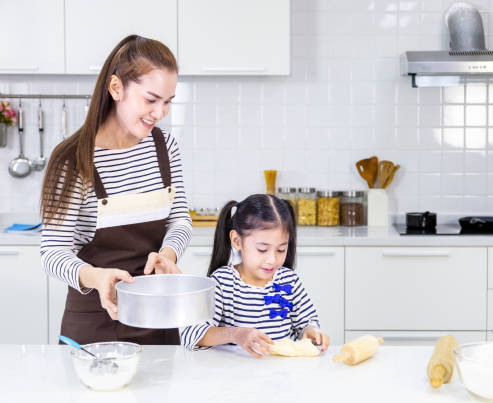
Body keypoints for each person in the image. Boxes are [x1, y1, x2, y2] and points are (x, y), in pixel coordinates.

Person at [40, 35, 191, 345]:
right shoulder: (73, 159)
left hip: (158, 317)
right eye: (151, 100)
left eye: (168, 101)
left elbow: (180, 220)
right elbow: (52, 252)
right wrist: (97, 277)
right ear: (116, 88)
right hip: (96, 321)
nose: (160, 112)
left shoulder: (165, 147)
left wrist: (168, 254)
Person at [180, 194, 330, 356]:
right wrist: (235, 334)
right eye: (262, 249)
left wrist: (311, 331)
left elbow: (306, 323)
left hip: (284, 376)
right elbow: (191, 334)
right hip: (235, 375)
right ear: (237, 241)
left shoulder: (289, 281)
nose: (272, 260)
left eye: (281, 250)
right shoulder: (223, 283)